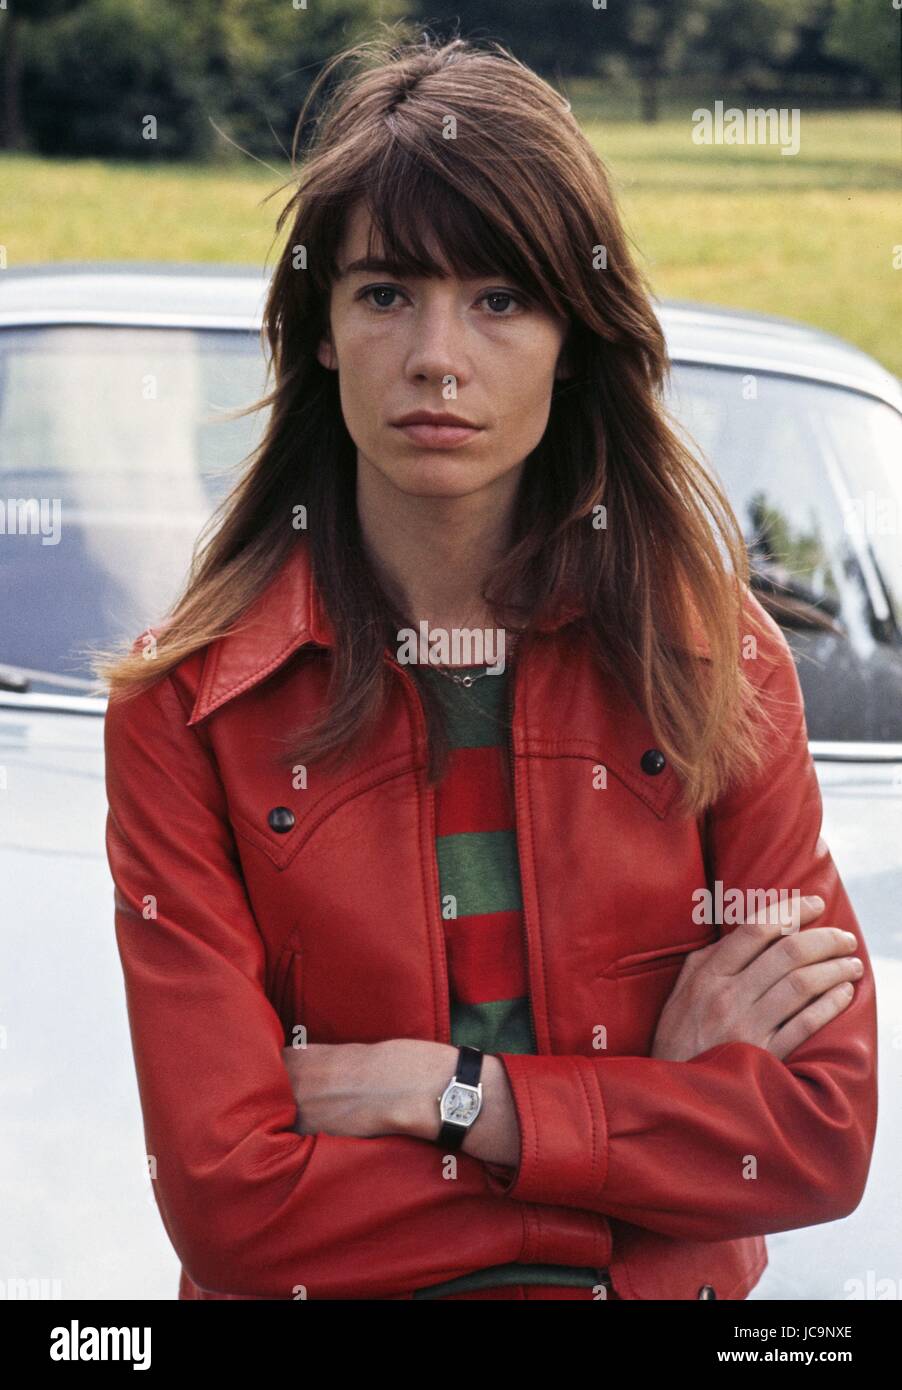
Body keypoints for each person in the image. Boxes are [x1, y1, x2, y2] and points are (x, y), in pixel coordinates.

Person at [95, 29, 877, 1301]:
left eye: (500, 298)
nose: (438, 357)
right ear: (325, 330)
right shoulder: (185, 712)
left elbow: (818, 1138)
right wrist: (637, 1136)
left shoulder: (716, 666)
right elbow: (233, 1210)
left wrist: (444, 1093)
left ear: (575, 332)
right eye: (386, 292)